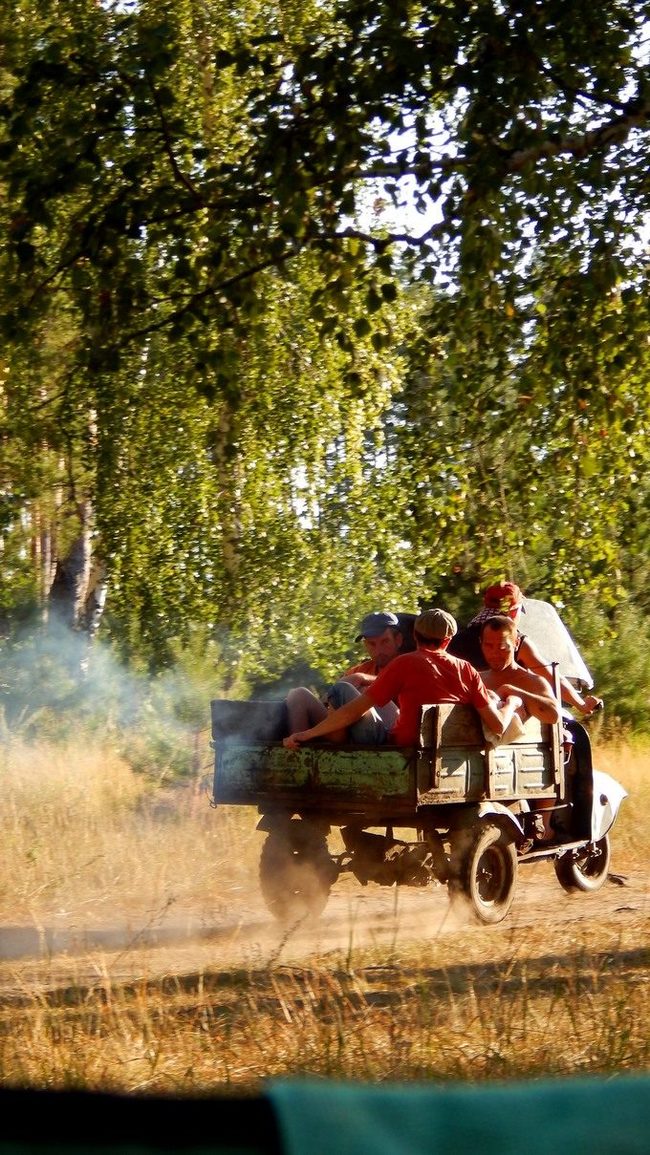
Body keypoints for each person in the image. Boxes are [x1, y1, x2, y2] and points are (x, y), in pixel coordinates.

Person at [283, 608, 522, 750]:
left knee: (343, 689)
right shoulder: (467, 670)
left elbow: (354, 711)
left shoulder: (405, 663)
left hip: (398, 746)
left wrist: (307, 734)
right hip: (438, 748)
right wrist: (512, 702)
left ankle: (305, 749)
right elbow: (498, 726)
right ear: (448, 641)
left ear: (414, 636)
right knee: (358, 690)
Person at [448, 581, 604, 717]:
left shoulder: (457, 639)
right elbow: (551, 676)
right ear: (514, 611)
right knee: (568, 736)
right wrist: (581, 704)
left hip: (460, 716)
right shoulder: (517, 642)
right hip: (505, 715)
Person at [284, 611, 404, 742]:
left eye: (384, 641)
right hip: (342, 730)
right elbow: (328, 703)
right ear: (365, 645)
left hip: (380, 735)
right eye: (372, 644)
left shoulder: (409, 664)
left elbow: (401, 681)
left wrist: (362, 680)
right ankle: (296, 752)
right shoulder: (360, 670)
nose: (378, 650)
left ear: (398, 640)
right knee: (298, 694)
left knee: (350, 689)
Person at [478, 616, 561, 726]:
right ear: (481, 643)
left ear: (516, 643)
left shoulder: (533, 682)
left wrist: (510, 690)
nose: (495, 653)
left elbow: (553, 716)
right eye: (488, 646)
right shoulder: (476, 679)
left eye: (502, 647)